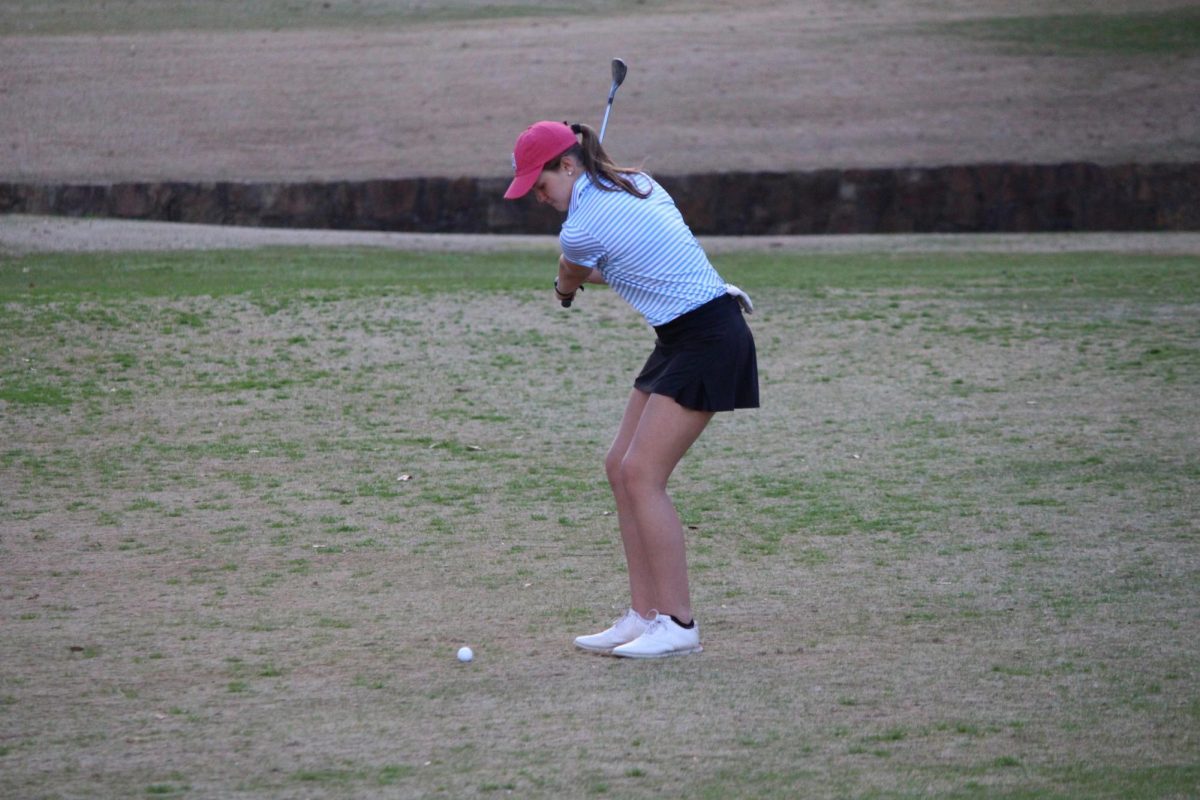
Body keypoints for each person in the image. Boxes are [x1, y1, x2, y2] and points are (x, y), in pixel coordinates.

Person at [504, 120, 758, 658]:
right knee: (619, 465)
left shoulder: (581, 229)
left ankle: (678, 623)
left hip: (708, 336)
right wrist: (572, 271)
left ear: (567, 165)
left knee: (643, 473)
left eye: (542, 185)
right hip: (682, 335)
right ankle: (643, 616)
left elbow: (574, 275)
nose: (540, 197)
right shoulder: (640, 184)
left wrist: (563, 282)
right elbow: (625, 270)